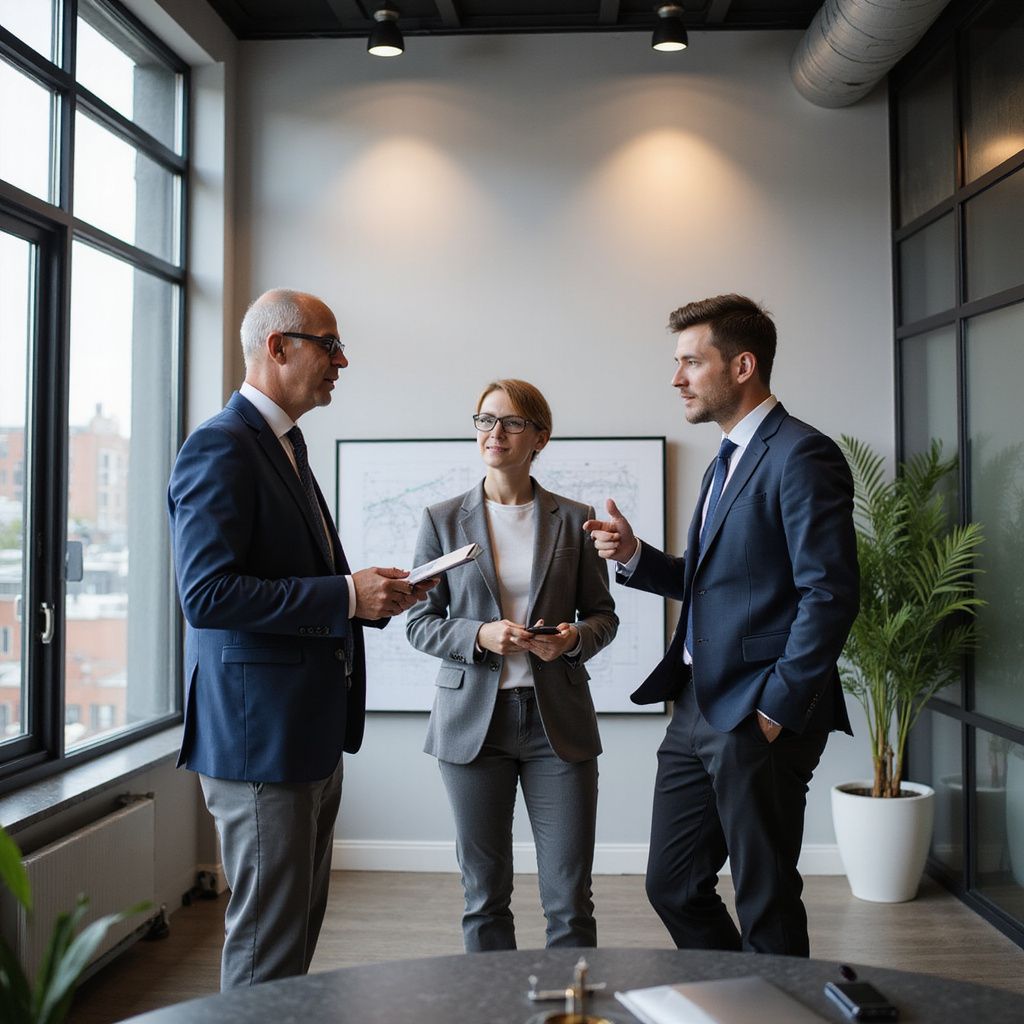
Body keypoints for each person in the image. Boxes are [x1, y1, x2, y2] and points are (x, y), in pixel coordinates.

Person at [167, 288, 433, 989]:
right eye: (329, 344)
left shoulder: (285, 444)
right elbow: (207, 595)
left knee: (291, 942)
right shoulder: (220, 447)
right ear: (277, 347)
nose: (342, 361)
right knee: (266, 947)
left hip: (305, 733)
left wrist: (373, 599)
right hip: (262, 742)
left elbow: (287, 580)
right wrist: (346, 593)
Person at [584, 294, 859, 957]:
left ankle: (777, 1006)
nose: (676, 377)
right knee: (672, 884)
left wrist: (778, 705)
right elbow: (720, 582)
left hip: (760, 709)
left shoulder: (802, 455)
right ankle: (743, 995)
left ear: (742, 365)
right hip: (697, 705)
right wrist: (636, 558)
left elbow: (830, 592)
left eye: (689, 362)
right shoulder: (726, 460)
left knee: (764, 893)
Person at [406, 379, 618, 951]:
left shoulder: (576, 518)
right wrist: (480, 633)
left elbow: (604, 616)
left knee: (570, 900)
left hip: (559, 727)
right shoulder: (441, 519)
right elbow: (419, 621)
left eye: (511, 422)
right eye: (484, 420)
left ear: (539, 438)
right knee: (483, 895)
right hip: (473, 723)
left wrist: (572, 639)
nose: (494, 433)